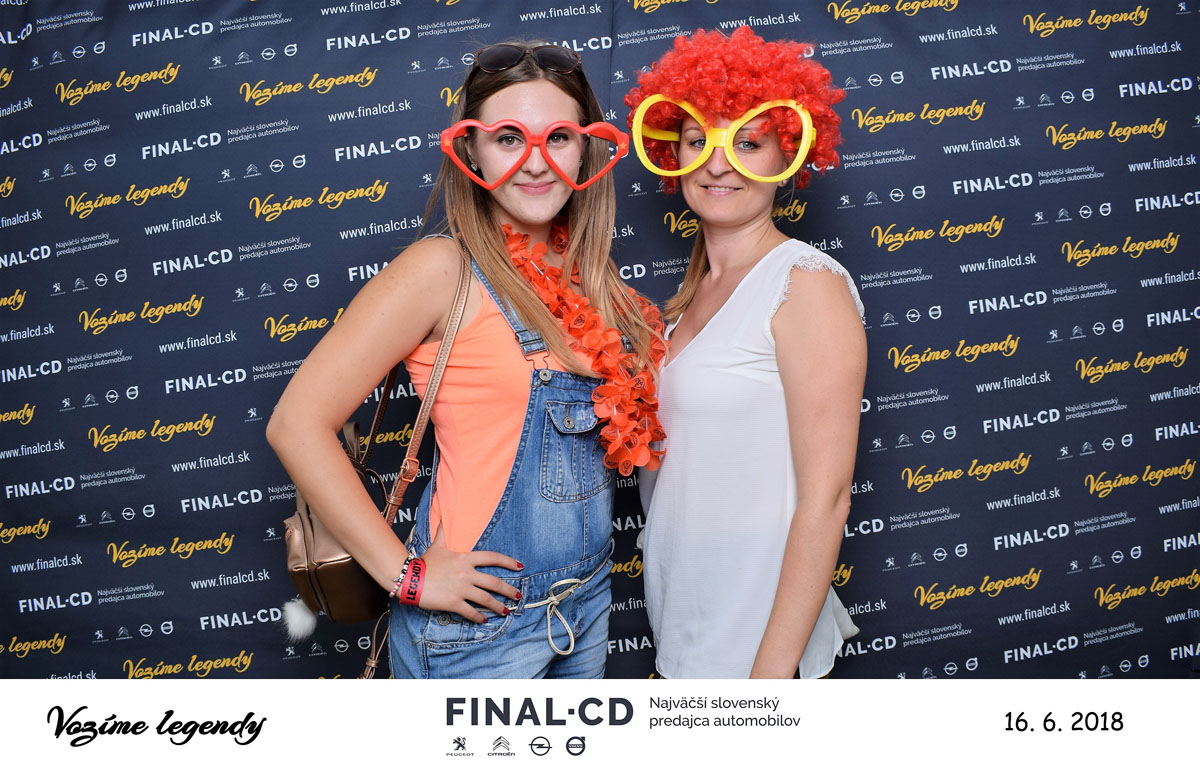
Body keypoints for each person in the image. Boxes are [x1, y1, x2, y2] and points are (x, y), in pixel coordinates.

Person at [268, 41, 665, 678]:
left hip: (585, 603)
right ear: (471, 149)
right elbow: (295, 424)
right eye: (509, 138)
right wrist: (408, 575)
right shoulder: (441, 270)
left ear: (585, 150)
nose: (536, 162)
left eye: (558, 137)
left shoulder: (591, 277)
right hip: (478, 631)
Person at [626, 26, 865, 678]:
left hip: (754, 650)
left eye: (748, 143)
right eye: (698, 139)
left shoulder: (805, 283)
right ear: (673, 150)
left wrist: (764, 688)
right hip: (685, 630)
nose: (717, 163)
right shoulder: (686, 301)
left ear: (788, 153)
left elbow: (827, 501)